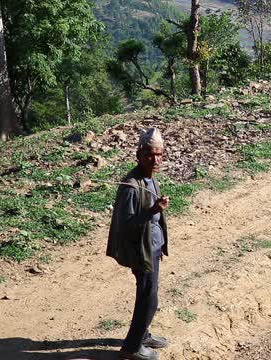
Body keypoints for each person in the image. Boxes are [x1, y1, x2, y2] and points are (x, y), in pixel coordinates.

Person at [107, 128, 170, 360]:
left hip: (151, 248)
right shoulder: (131, 186)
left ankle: (143, 334)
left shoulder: (149, 179)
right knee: (149, 297)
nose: (155, 160)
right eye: (149, 155)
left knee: (147, 293)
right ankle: (132, 348)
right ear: (139, 155)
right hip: (141, 251)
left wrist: (159, 246)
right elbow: (126, 225)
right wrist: (154, 209)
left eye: (159, 154)